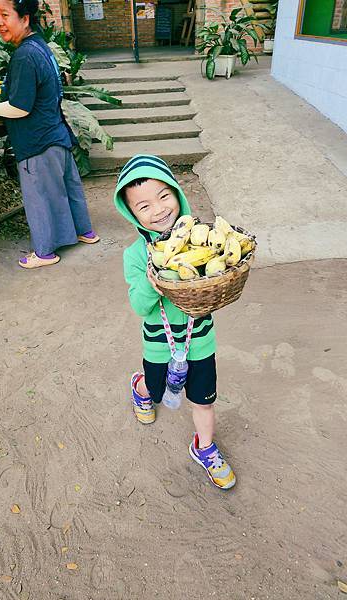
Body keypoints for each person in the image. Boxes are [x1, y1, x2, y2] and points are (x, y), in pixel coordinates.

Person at [114, 154, 236, 490]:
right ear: (132, 214)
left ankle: (205, 447)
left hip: (200, 339)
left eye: (164, 196)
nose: (158, 210)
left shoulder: (202, 241)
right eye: (144, 206)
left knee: (203, 399)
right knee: (155, 391)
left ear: (177, 194)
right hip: (158, 343)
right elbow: (140, 306)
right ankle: (140, 387)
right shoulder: (135, 256)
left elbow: (215, 284)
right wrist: (152, 281)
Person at [0, 0, 99, 269]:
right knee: (68, 188)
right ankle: (84, 231)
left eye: (5, 15)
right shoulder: (40, 46)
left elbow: (19, 107)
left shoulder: (24, 56)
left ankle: (45, 252)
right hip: (56, 135)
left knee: (38, 197)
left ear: (25, 18)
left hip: (37, 142)